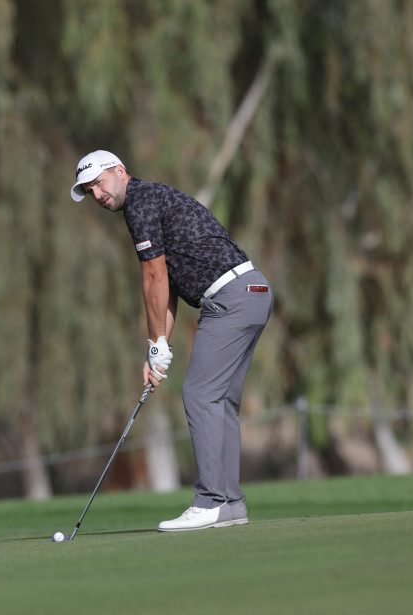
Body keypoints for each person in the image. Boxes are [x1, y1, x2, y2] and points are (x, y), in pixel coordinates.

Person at [70, 150, 273, 532]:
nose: (97, 194)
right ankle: (230, 504)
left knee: (199, 395)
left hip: (230, 299)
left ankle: (210, 501)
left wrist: (155, 343)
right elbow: (170, 287)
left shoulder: (140, 201)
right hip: (252, 292)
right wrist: (159, 349)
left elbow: (154, 276)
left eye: (98, 183)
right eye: (89, 190)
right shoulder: (153, 199)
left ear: (120, 171)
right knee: (220, 401)